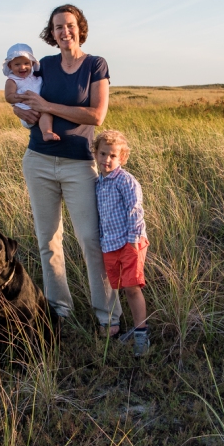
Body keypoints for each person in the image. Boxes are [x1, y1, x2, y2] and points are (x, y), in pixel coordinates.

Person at [13, 4, 122, 337]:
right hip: (39, 161)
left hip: (78, 164)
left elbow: (96, 115)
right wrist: (24, 111)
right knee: (48, 241)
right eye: (58, 27)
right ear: (52, 32)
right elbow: (20, 90)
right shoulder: (43, 65)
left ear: (80, 27)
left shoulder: (95, 65)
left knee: (90, 239)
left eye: (70, 25)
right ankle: (58, 313)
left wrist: (48, 106)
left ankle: (108, 317)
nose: (64, 31)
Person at [93, 130, 150, 356]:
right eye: (103, 153)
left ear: (122, 158)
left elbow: (135, 210)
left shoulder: (125, 181)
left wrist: (133, 241)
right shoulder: (99, 183)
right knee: (119, 287)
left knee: (132, 288)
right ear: (95, 154)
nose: (107, 159)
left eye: (113, 156)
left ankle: (142, 336)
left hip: (130, 242)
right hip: (110, 244)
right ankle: (133, 328)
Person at [3, 43, 58, 142]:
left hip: (39, 107)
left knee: (46, 113)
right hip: (26, 111)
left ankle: (47, 132)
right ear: (10, 66)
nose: (22, 67)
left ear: (32, 64)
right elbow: (9, 97)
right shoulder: (12, 80)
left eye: (26, 63)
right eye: (17, 64)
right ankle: (46, 132)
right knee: (45, 113)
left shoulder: (35, 77)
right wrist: (23, 97)